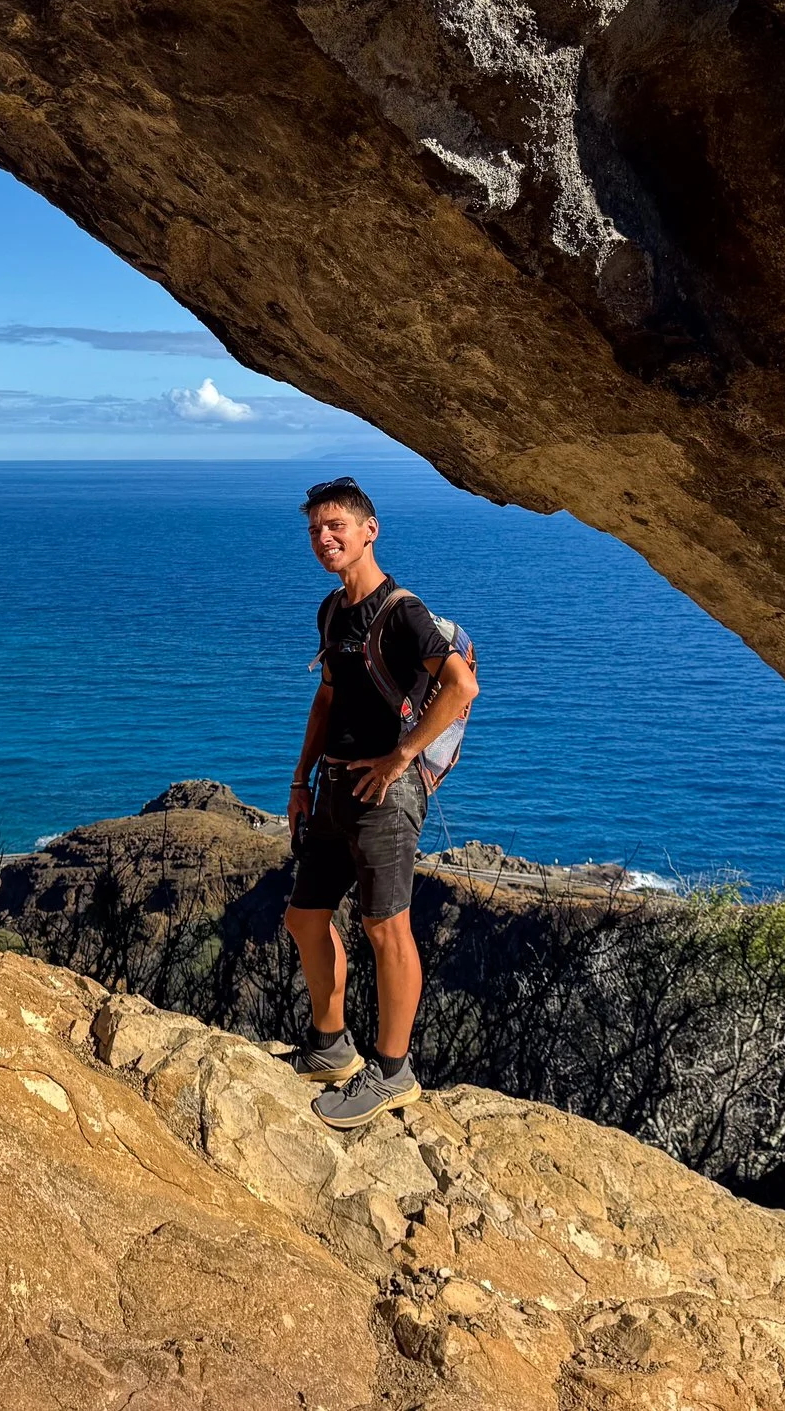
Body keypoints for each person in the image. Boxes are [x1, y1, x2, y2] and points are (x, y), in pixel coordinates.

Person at [283, 476, 478, 1127]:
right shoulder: (333, 611)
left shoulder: (402, 611)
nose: (324, 538)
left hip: (385, 797)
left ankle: (393, 1072)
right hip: (334, 787)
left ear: (370, 529)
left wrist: (401, 757)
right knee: (306, 917)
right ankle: (332, 1048)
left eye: (336, 525)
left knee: (385, 928)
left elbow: (460, 685)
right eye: (315, 529)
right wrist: (300, 780)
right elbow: (329, 696)